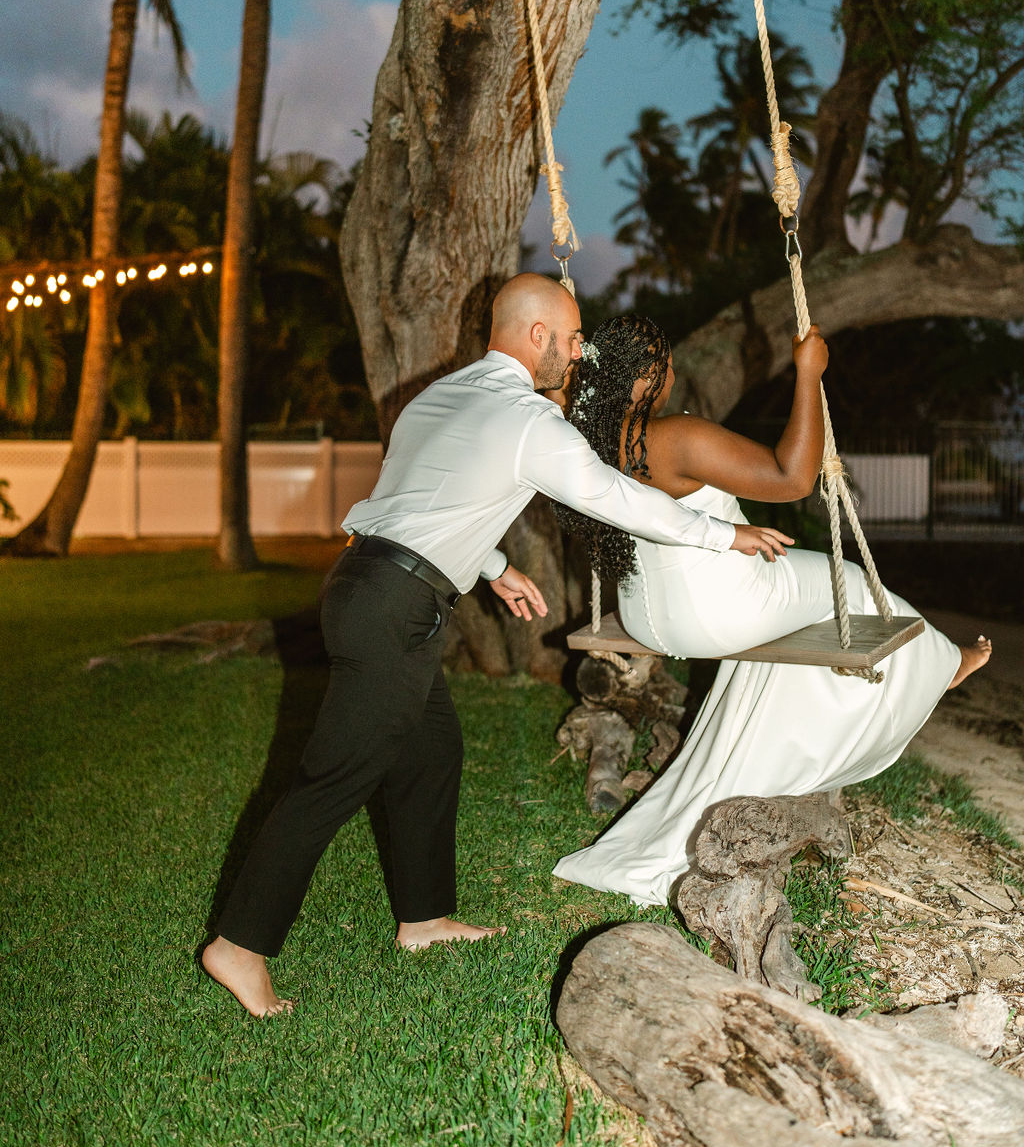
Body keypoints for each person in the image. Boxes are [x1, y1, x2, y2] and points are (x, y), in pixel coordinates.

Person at [202, 276, 791, 1015]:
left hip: (369, 587)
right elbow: (620, 498)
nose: (580, 355)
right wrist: (724, 535)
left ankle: (423, 920)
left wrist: (495, 566)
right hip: (392, 606)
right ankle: (239, 945)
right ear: (538, 336)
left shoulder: (440, 398)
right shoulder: (528, 421)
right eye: (573, 340)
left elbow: (418, 498)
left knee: (432, 749)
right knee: (334, 778)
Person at [551, 313, 992, 906]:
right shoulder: (676, 437)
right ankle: (946, 664)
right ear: (651, 374)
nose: (675, 374)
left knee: (794, 625)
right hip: (717, 607)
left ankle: (786, 734)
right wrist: (808, 375)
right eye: (669, 364)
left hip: (645, 613)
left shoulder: (586, 440)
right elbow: (792, 478)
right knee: (854, 582)